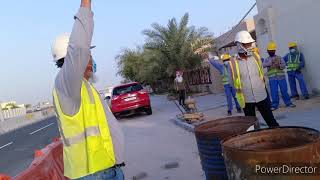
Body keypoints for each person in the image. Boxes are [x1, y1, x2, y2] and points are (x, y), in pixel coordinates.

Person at [51, 0, 125, 179]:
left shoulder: (85, 87)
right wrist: (86, 3)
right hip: (91, 174)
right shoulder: (66, 84)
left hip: (108, 168)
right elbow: (79, 48)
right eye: (88, 55)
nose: (91, 59)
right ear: (74, 61)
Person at [229, 31, 279, 127]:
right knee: (252, 126)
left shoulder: (256, 57)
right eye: (247, 44)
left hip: (261, 95)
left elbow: (261, 72)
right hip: (246, 99)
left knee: (271, 122)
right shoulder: (233, 62)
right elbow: (232, 82)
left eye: (250, 44)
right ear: (239, 45)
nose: (250, 46)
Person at [263, 41, 296, 111]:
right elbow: (263, 65)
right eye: (270, 51)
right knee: (274, 92)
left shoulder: (279, 58)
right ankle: (274, 105)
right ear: (268, 51)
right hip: (272, 79)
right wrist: (269, 63)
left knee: (284, 91)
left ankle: (288, 103)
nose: (271, 52)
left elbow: (284, 65)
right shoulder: (267, 59)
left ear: (274, 51)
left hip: (281, 78)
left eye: (272, 50)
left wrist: (279, 65)